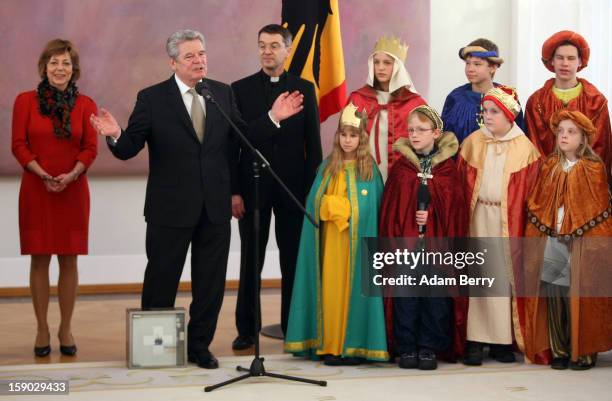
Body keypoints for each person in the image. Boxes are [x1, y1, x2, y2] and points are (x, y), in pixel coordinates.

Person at [89, 29, 304, 369]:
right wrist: (115, 134)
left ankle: (199, 346)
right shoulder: (152, 98)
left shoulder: (219, 92)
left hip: (214, 207)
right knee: (162, 279)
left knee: (210, 285)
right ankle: (156, 348)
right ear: (173, 62)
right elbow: (129, 148)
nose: (199, 60)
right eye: (190, 56)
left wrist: (273, 118)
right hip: (169, 209)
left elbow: (243, 138)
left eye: (201, 53)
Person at [230, 24, 322, 350]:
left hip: (294, 189)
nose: (267, 51)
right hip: (252, 186)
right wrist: (234, 191)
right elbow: (236, 142)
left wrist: (313, 192)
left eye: (273, 46)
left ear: (286, 50)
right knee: (250, 261)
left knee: (293, 260)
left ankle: (292, 326)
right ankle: (246, 328)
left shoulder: (305, 89)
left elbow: (314, 145)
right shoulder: (238, 89)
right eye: (262, 46)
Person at [11, 38, 98, 357]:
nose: (59, 69)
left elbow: (90, 147)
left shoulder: (86, 104)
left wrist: (72, 174)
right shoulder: (24, 101)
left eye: (65, 63)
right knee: (39, 257)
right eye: (53, 63)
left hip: (73, 190)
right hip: (37, 189)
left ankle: (65, 327)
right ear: (44, 67)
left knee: (69, 259)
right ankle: (42, 328)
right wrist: (42, 173)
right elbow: (18, 145)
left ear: (73, 69)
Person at [284, 103, 388, 365]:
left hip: (356, 246)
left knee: (352, 292)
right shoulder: (328, 166)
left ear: (362, 138)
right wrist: (334, 208)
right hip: (330, 244)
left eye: (353, 135)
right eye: (343, 135)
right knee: (330, 292)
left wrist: (337, 207)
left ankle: (353, 346)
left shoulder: (369, 170)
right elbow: (315, 203)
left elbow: (370, 209)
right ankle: (329, 344)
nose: (348, 140)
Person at [457, 86, 541, 365]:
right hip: (477, 217)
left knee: (504, 277)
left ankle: (503, 342)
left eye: (494, 112)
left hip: (507, 221)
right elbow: (459, 186)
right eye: (485, 112)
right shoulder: (472, 142)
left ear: (509, 116)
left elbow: (531, 194)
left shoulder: (525, 149)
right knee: (477, 275)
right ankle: (474, 340)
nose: (487, 117)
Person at [379, 105, 468, 369]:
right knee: (406, 295)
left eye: (421, 130)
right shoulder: (401, 168)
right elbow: (392, 208)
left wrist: (433, 218)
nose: (415, 135)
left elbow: (455, 209)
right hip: (407, 244)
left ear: (436, 133)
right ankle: (407, 346)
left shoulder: (447, 170)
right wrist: (409, 219)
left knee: (435, 296)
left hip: (437, 244)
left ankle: (429, 347)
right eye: (411, 130)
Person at [523, 110, 612, 370]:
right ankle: (560, 349)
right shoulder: (550, 165)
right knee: (555, 293)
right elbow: (539, 201)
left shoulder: (593, 169)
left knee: (581, 295)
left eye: (571, 132)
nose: (563, 136)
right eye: (560, 131)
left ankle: (583, 351)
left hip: (582, 242)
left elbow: (595, 207)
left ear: (583, 138)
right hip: (553, 238)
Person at [525, 30, 611, 181]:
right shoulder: (536, 102)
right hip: (547, 183)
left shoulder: (596, 101)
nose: (565, 63)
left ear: (580, 62)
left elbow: (601, 149)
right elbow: (533, 148)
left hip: (585, 184)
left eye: (571, 58)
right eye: (560, 58)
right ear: (552, 61)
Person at [347, 35, 427, 182]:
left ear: (398, 67)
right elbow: (345, 139)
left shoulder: (415, 104)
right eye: (376, 62)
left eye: (387, 63)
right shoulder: (357, 99)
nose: (380, 67)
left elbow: (426, 147)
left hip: (402, 178)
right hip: (363, 175)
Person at [441, 38, 525, 144]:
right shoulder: (455, 98)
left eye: (477, 64)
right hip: (462, 160)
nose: (470, 69)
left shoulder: (508, 98)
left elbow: (519, 138)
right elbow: (445, 140)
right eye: (467, 63)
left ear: (493, 67)